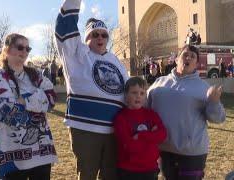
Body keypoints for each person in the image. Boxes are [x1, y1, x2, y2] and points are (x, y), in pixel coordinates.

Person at [55, 0, 129, 179]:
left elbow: (130, 91)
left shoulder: (116, 61)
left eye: (104, 35)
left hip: (114, 129)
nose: (100, 38)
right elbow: (64, 28)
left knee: (111, 175)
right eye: (95, 34)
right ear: (86, 38)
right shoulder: (76, 54)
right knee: (87, 174)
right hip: (86, 128)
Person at [148, 45, 226, 180]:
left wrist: (214, 102)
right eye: (185, 54)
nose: (188, 57)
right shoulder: (159, 84)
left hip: (192, 153)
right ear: (177, 59)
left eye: (193, 56)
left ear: (196, 63)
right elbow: (144, 110)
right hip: (164, 151)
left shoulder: (203, 88)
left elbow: (218, 118)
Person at [0, 33, 57, 180]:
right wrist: (38, 99)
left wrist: (24, 101)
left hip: (41, 151)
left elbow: (51, 98)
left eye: (27, 48)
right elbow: (8, 112)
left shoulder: (35, 74)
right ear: (7, 49)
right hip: (13, 152)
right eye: (20, 47)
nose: (24, 52)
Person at [114, 77, 167, 180]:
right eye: (134, 92)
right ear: (126, 95)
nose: (138, 96)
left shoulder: (151, 114)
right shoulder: (121, 118)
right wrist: (152, 137)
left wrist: (141, 135)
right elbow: (129, 146)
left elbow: (162, 135)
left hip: (150, 169)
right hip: (128, 170)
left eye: (142, 93)